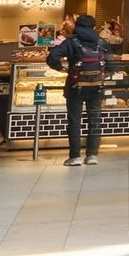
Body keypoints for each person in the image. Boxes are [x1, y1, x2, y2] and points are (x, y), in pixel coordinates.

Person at [46, 14, 109, 167]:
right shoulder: (102, 43)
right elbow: (111, 64)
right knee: (94, 120)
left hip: (75, 87)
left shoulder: (71, 42)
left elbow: (52, 57)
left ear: (77, 27)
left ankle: (75, 157)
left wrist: (61, 68)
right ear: (94, 28)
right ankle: (92, 155)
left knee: (74, 121)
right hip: (97, 87)